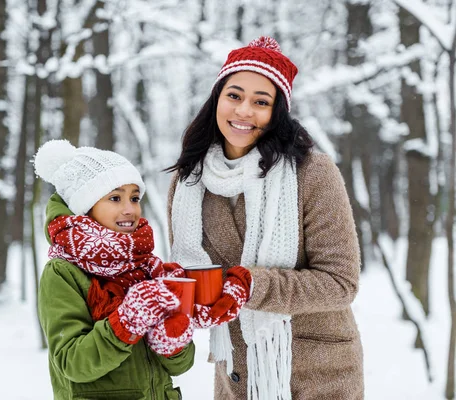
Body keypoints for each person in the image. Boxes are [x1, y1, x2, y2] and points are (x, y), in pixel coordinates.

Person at [166, 36, 364, 400]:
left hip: (317, 374)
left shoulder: (312, 173)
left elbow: (340, 283)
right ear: (216, 100)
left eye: (261, 102)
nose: (243, 111)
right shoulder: (189, 181)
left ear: (277, 113)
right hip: (236, 375)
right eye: (234, 95)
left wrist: (249, 287)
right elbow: (191, 273)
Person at [33, 139, 196, 400]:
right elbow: (72, 363)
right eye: (115, 198)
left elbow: (182, 365)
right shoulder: (63, 272)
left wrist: (172, 336)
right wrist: (127, 321)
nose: (129, 209)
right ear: (84, 206)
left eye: (134, 197)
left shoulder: (146, 265)